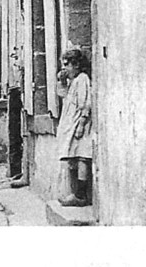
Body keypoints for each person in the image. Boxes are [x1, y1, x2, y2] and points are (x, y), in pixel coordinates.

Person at [55, 49, 93, 207]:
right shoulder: (74, 81)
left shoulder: (83, 79)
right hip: (71, 123)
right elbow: (63, 94)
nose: (64, 69)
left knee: (82, 156)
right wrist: (62, 81)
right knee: (73, 156)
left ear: (76, 65)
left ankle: (81, 195)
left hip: (79, 124)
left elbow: (86, 102)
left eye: (67, 65)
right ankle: (74, 191)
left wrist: (82, 123)